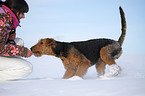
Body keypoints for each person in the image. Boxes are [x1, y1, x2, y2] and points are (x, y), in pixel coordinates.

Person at [0, 0, 32, 81]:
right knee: (27, 68)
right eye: (23, 13)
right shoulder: (2, 20)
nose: (23, 16)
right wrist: (23, 52)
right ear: (16, 11)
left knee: (19, 42)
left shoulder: (6, 16)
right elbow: (0, 47)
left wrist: (9, 39)